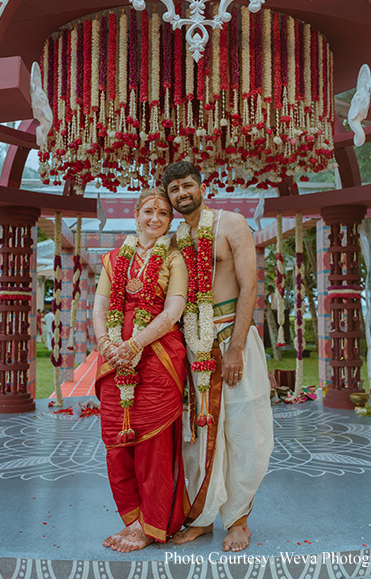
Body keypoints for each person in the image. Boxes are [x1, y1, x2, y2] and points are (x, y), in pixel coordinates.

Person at [162, 161, 274, 553]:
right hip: (194, 345)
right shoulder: (174, 239)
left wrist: (237, 348)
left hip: (232, 338)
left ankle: (239, 520)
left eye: (187, 185)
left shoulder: (231, 224)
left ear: (202, 187)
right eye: (174, 189)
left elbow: (249, 286)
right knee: (199, 434)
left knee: (244, 429)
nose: (182, 194)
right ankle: (203, 518)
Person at [93, 188, 188, 552]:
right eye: (149, 210)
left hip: (158, 356)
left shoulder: (174, 258)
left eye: (163, 213)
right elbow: (101, 306)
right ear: (135, 215)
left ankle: (150, 525)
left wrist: (136, 344)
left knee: (154, 444)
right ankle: (131, 520)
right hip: (114, 357)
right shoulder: (113, 259)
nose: (155, 218)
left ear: (169, 221)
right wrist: (107, 345)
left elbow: (173, 310)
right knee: (116, 443)